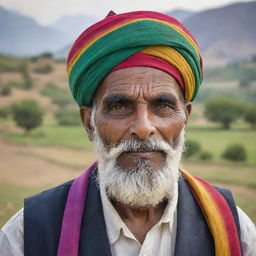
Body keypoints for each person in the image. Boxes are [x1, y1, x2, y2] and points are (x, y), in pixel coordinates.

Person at [0, 10, 255, 256]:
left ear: (185, 117)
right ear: (88, 122)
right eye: (119, 106)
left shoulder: (232, 228)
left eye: (163, 106)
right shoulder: (27, 234)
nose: (144, 128)